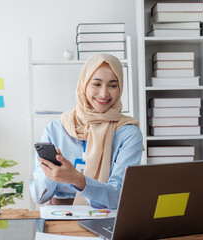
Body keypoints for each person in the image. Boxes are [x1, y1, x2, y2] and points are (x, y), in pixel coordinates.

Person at [29, 53, 143, 209]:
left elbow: (119, 196)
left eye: (113, 85)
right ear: (84, 84)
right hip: (59, 217)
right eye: (96, 84)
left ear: (120, 87)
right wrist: (53, 175)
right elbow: (37, 196)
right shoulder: (55, 129)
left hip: (107, 217)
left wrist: (79, 180)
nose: (104, 94)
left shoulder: (128, 133)